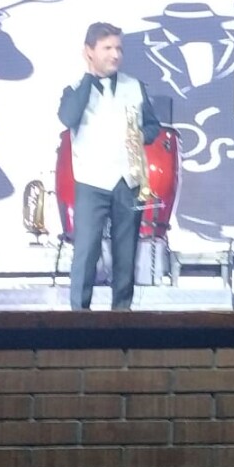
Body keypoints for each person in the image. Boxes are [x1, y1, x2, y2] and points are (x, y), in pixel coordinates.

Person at [59, 22, 162, 310]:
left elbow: (153, 126)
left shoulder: (134, 86)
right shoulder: (74, 89)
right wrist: (88, 78)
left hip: (128, 179)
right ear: (89, 51)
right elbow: (68, 118)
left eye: (119, 48)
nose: (115, 55)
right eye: (107, 48)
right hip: (91, 180)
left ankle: (122, 315)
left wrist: (141, 135)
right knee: (86, 250)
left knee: (126, 252)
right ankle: (79, 315)